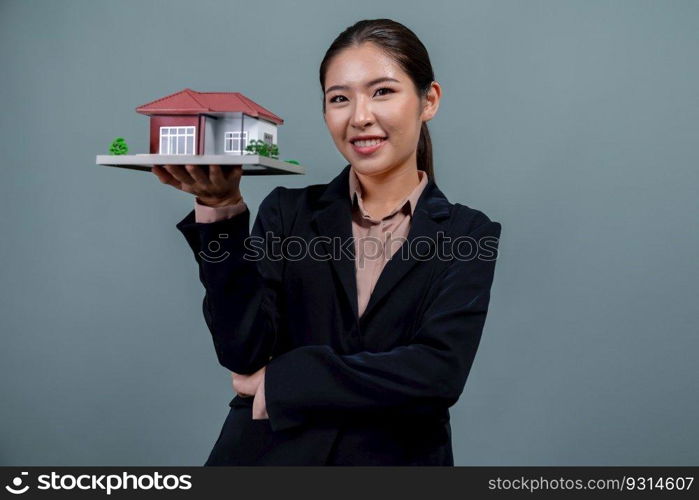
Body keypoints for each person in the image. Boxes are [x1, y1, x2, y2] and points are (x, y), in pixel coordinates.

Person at [152, 18, 502, 466]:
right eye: (339, 98)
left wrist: (284, 380)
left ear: (428, 100)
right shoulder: (287, 212)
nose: (359, 117)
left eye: (382, 91)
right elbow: (243, 350)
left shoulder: (468, 234)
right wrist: (220, 211)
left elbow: (437, 375)